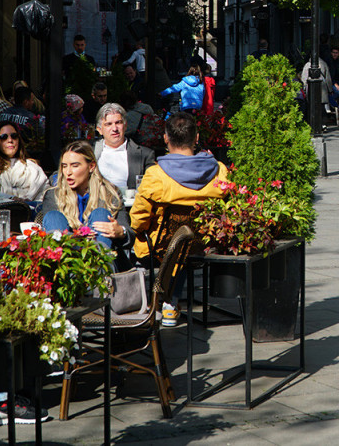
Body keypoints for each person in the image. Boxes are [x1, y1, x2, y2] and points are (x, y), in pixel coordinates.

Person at [130, 113, 229, 323]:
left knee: (129, 240)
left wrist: (137, 231)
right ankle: (170, 303)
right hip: (204, 244)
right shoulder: (220, 170)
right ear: (196, 138)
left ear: (166, 138)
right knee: (183, 244)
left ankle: (139, 303)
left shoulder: (155, 175)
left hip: (162, 248)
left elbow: (138, 219)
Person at [37, 141, 135, 270]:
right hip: (68, 261)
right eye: (64, 166)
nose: (68, 172)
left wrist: (120, 232)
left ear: (91, 166)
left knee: (100, 213)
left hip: (103, 259)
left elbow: (129, 234)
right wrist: (79, 237)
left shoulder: (110, 193)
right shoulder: (53, 195)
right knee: (53, 216)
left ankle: (97, 272)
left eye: (75, 166)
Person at [0, 121, 49, 202]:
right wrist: (11, 199)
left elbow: (44, 198)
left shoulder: (33, 168)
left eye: (14, 136)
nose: (10, 140)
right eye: (4, 137)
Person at [93, 103, 156, 191]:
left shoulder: (145, 155)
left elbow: (152, 187)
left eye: (118, 123)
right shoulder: (90, 152)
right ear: (99, 130)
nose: (114, 128)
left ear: (125, 126)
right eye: (108, 124)